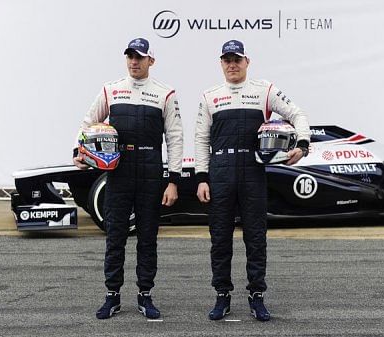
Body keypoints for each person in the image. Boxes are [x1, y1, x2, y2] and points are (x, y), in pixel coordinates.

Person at [195, 39, 311, 321]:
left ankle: (256, 295)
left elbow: (298, 114)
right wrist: (201, 178)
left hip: (253, 170)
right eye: (227, 60)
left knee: (256, 238)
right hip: (220, 170)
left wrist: (303, 144)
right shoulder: (210, 95)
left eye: (237, 60)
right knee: (220, 238)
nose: (232, 65)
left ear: (247, 62)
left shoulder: (264, 91)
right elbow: (201, 139)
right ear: (221, 63)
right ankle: (222, 295)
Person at [73, 38, 183, 320]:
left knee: (148, 238)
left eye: (140, 57)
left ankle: (145, 296)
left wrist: (173, 180)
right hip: (118, 171)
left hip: (149, 171)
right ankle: (112, 296)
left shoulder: (165, 93)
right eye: (130, 57)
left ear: (151, 61)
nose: (134, 61)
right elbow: (88, 123)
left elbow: (175, 138)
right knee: (115, 237)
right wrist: (80, 152)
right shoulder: (111, 90)